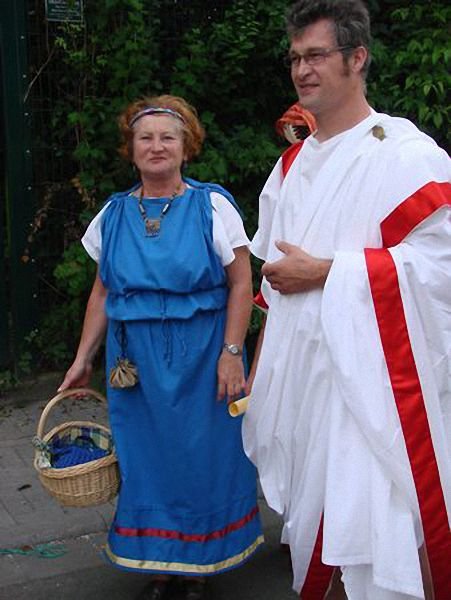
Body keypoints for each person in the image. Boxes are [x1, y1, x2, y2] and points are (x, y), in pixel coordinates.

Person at [242, 2, 451, 599]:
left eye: (315, 55)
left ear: (357, 58)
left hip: (377, 386)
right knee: (316, 529)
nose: (301, 70)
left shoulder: (405, 155)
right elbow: (273, 285)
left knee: (391, 527)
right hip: (303, 379)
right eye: (295, 58)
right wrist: (261, 371)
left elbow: (440, 268)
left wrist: (328, 272)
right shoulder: (290, 166)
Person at [58, 95, 263, 600]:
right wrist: (83, 359)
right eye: (145, 138)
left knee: (201, 456)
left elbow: (242, 283)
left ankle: (199, 566)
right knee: (144, 459)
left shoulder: (211, 206)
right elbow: (103, 292)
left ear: (186, 147)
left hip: (204, 355)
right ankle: (159, 565)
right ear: (130, 150)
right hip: (135, 362)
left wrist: (231, 353)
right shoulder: (113, 215)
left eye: (168, 137)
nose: (156, 146)